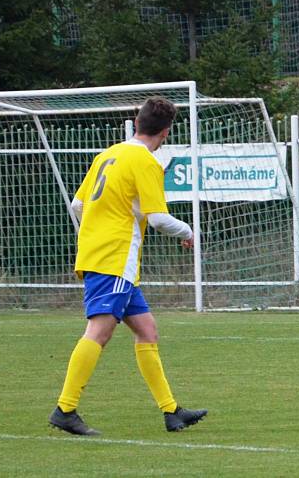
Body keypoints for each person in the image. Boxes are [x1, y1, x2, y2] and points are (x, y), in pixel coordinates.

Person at [49, 96, 207, 436]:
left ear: (137, 123)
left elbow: (78, 204)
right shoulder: (145, 161)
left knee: (146, 330)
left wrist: (108, 219)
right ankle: (65, 408)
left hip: (99, 252)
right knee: (100, 331)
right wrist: (189, 231)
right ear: (165, 133)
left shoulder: (108, 154)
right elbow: (158, 217)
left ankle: (171, 411)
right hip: (116, 257)